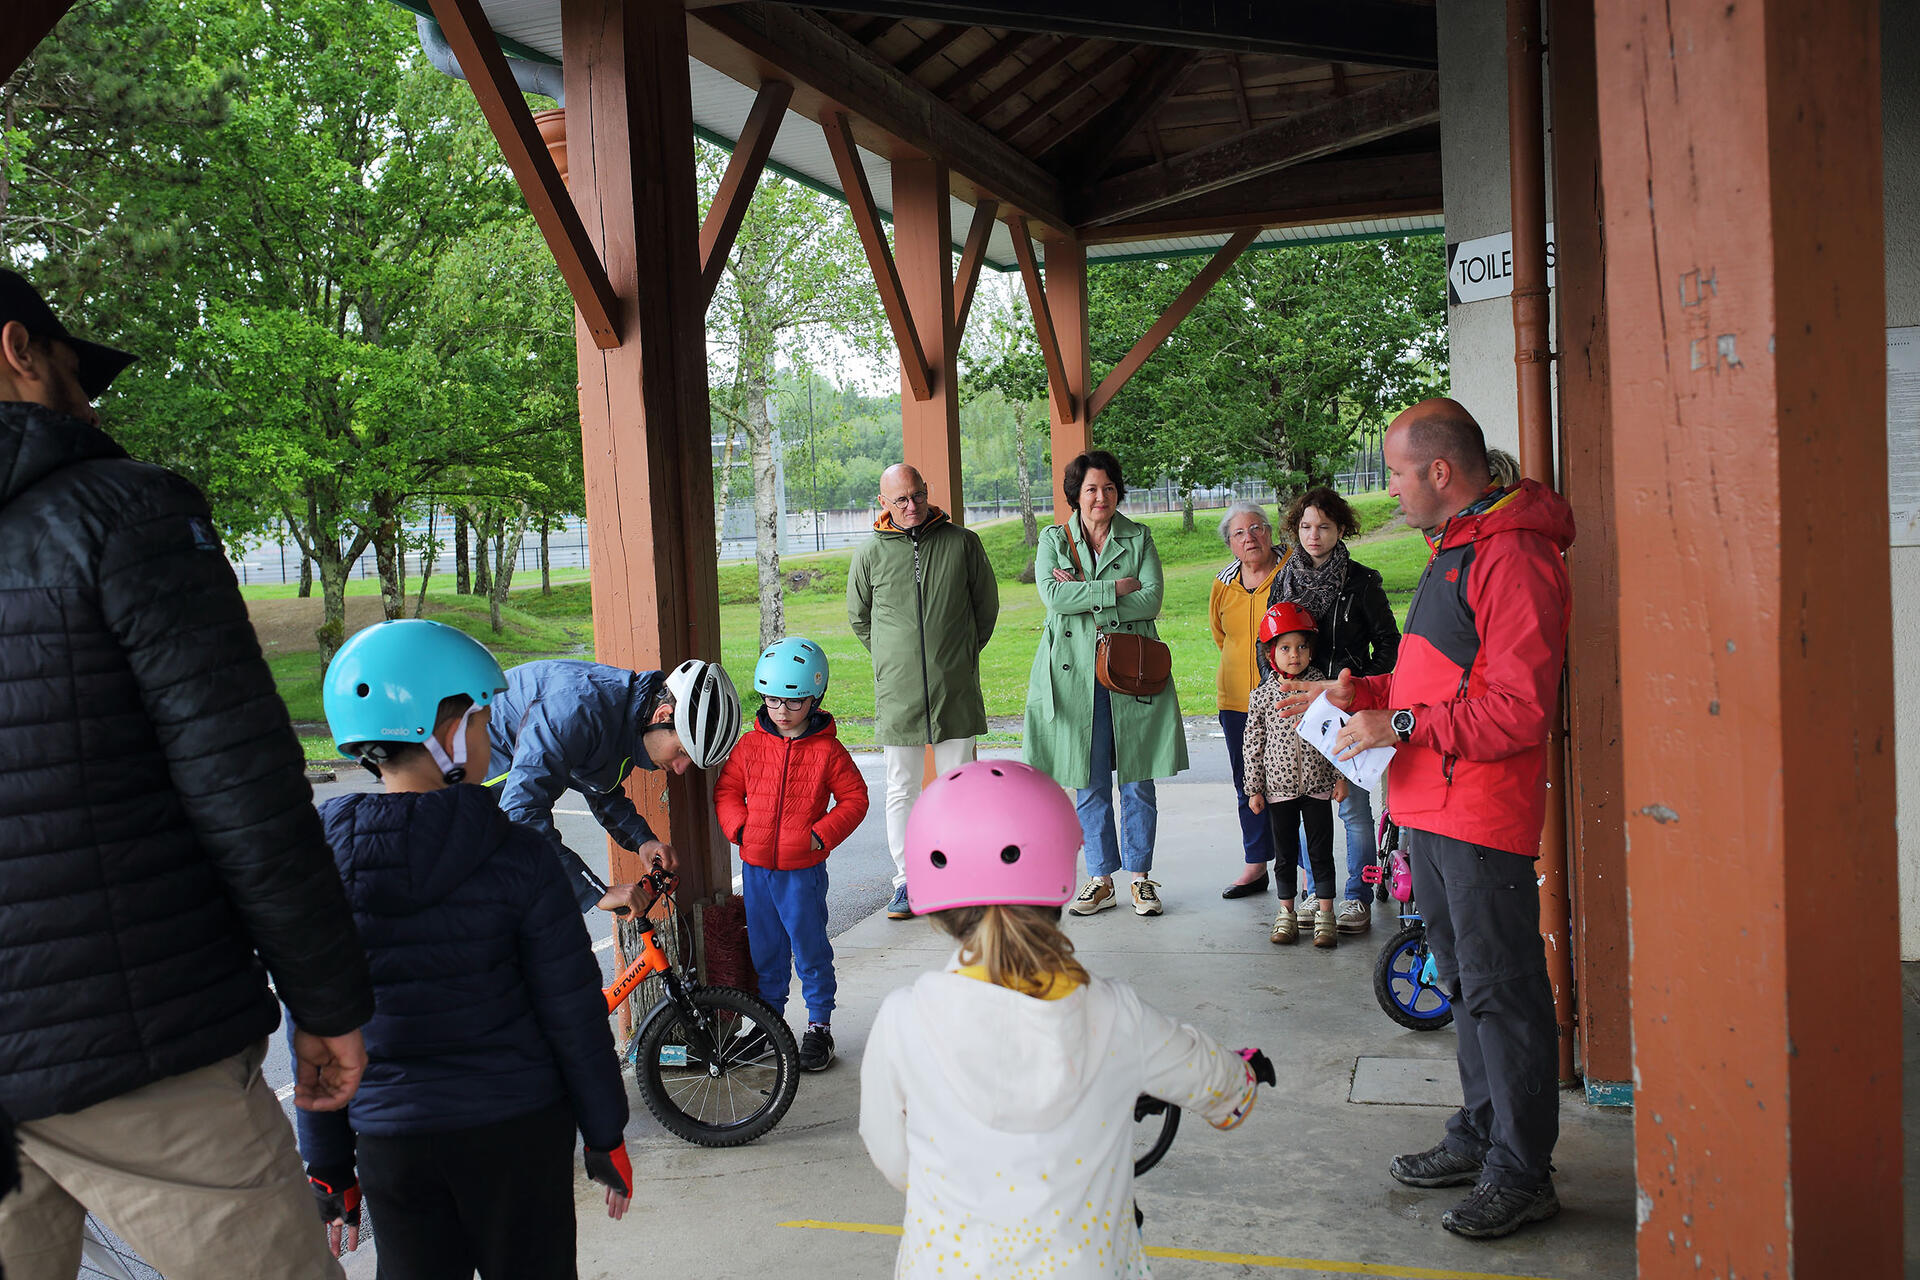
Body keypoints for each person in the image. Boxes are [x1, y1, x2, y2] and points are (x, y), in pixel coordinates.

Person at [0, 269, 373, 1280]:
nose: (92, 401)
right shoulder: (127, 516)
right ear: (17, 351)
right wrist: (327, 1001)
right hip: (133, 1043)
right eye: (78, 371)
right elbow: (244, 790)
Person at [1280, 398, 1573, 1240]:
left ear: (1440, 473)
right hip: (1434, 806)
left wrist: (1399, 725)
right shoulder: (1459, 547)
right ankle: (1484, 1133)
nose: (1389, 493)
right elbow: (1436, 687)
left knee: (1501, 990)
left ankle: (1523, 1172)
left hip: (1479, 815)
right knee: (1467, 986)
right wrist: (1361, 695)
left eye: (1398, 475)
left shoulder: (1511, 556)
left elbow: (1517, 710)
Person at [304, 619, 633, 1273]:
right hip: (515, 1130)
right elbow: (572, 1014)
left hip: (391, 1139)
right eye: (481, 721)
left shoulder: (319, 860)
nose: (491, 737)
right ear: (442, 732)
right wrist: (605, 1133)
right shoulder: (522, 857)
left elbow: (313, 1019)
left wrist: (328, 1163)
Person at [859, 760, 1274, 1279]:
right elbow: (1223, 1089)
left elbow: (893, 1156)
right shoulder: (1111, 1013)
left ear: (938, 907)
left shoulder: (905, 1018)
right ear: (1059, 875)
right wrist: (1246, 1075)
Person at [1024, 450, 1187, 918]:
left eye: (1109, 488)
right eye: (1092, 489)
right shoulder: (1054, 540)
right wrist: (1115, 589)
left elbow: (1151, 600)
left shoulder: (1139, 536)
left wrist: (1085, 595)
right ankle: (1100, 879)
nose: (1101, 497)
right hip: (1073, 676)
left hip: (1130, 669)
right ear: (1075, 494)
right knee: (1088, 779)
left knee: (1138, 777)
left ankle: (1140, 879)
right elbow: (1053, 598)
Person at [847, 463, 1000, 921]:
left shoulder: (962, 543)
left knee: (961, 786)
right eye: (900, 500)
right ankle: (907, 880)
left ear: (927, 492)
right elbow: (860, 618)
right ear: (883, 504)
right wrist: (896, 660)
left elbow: (985, 608)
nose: (911, 506)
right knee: (901, 787)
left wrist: (956, 656)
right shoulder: (870, 554)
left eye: (917, 495)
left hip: (954, 688)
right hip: (899, 694)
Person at [715, 637, 871, 1072]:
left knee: (810, 948)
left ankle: (819, 1026)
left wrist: (819, 837)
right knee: (766, 950)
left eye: (793, 702)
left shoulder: (828, 751)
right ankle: (768, 1026)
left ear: (815, 698)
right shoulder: (749, 746)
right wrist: (739, 827)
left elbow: (855, 799)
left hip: (802, 872)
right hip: (757, 868)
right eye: (771, 700)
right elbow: (727, 790)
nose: (780, 711)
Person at [487, 656, 741, 915]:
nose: (679, 768)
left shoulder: (621, 712)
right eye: (681, 752)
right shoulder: (575, 712)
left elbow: (598, 785)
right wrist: (594, 892)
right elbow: (520, 815)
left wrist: (643, 841)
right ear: (663, 715)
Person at [1272, 486, 1400, 936]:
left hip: (1349, 706)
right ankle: (1315, 890)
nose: (1314, 535)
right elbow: (1266, 644)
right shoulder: (1284, 580)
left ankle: (1356, 897)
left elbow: (1390, 645)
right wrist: (1280, 688)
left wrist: (1361, 683)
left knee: (1353, 809)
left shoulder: (1362, 581)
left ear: (1341, 529)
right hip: (1301, 708)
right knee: (1308, 804)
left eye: (1324, 526)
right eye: (1305, 526)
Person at [1242, 602, 1349, 948]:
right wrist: (1254, 788)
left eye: (1302, 646)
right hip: (1279, 790)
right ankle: (1286, 912)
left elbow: (1335, 735)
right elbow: (1253, 744)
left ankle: (1326, 914)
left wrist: (1340, 777)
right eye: (1285, 648)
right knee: (1286, 853)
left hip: (1318, 787)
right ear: (1271, 652)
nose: (1295, 655)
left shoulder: (1323, 688)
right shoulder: (1263, 695)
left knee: (1321, 852)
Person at [1208, 501, 1289, 900]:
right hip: (1237, 699)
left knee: (1296, 783)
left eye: (1256, 528)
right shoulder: (1224, 581)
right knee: (1248, 783)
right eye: (1239, 533)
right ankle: (1256, 864)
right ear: (1230, 543)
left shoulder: (1292, 569)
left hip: (1288, 695)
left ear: (1269, 532)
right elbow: (1221, 634)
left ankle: (1303, 871)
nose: (1249, 538)